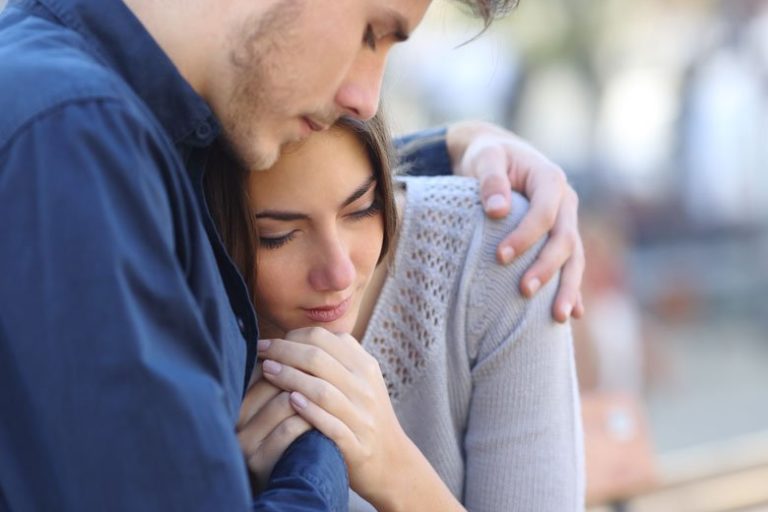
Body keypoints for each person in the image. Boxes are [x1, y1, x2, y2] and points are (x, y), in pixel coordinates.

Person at [0, 0, 583, 510]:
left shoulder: (102, 122)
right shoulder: (76, 144)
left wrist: (449, 149)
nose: (364, 97)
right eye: (371, 32)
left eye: (363, 206)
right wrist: (318, 451)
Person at [223, 113, 584, 511]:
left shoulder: (496, 254)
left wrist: (396, 474)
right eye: (279, 236)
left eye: (362, 208)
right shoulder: (187, 328)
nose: (339, 273)